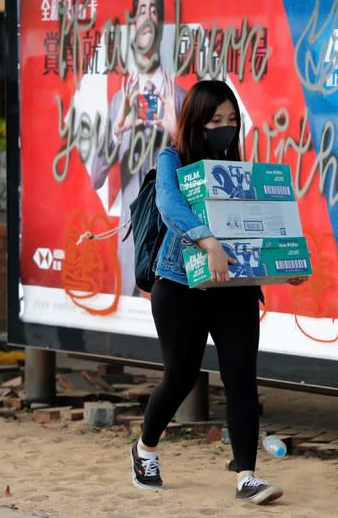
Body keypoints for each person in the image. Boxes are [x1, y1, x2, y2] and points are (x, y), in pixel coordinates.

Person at [129, 80, 304, 504]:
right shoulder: (172, 158)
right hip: (180, 284)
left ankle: (247, 476)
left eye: (231, 120)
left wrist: (284, 264)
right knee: (180, 377)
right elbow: (170, 205)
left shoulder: (238, 165)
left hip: (235, 290)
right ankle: (145, 448)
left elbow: (259, 224)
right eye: (215, 121)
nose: (225, 128)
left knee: (241, 378)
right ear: (195, 122)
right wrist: (208, 243)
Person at [89, 0, 186, 296]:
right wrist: (117, 130)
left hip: (177, 238)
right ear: (134, 23)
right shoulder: (121, 99)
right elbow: (95, 178)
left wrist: (177, 135)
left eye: (154, 11)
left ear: (160, 25)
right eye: (142, 11)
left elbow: (198, 170)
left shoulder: (182, 97)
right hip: (133, 237)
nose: (148, 18)